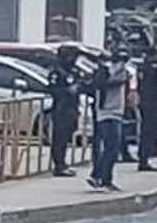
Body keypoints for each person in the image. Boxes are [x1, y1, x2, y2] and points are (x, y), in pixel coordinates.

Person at [90, 50, 130, 191]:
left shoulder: (115, 71)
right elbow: (108, 84)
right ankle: (103, 178)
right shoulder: (109, 71)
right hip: (109, 112)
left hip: (111, 112)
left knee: (110, 148)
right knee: (111, 148)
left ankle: (99, 175)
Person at [47, 44, 83, 177]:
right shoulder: (57, 72)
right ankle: (59, 165)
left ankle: (63, 162)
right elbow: (52, 89)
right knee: (59, 138)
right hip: (61, 108)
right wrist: (67, 92)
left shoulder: (73, 70)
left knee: (68, 135)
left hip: (72, 107)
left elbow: (80, 83)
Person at [137, 48, 157, 172]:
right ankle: (144, 160)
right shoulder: (153, 67)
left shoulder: (143, 67)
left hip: (146, 102)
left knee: (147, 131)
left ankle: (145, 156)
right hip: (153, 103)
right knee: (149, 132)